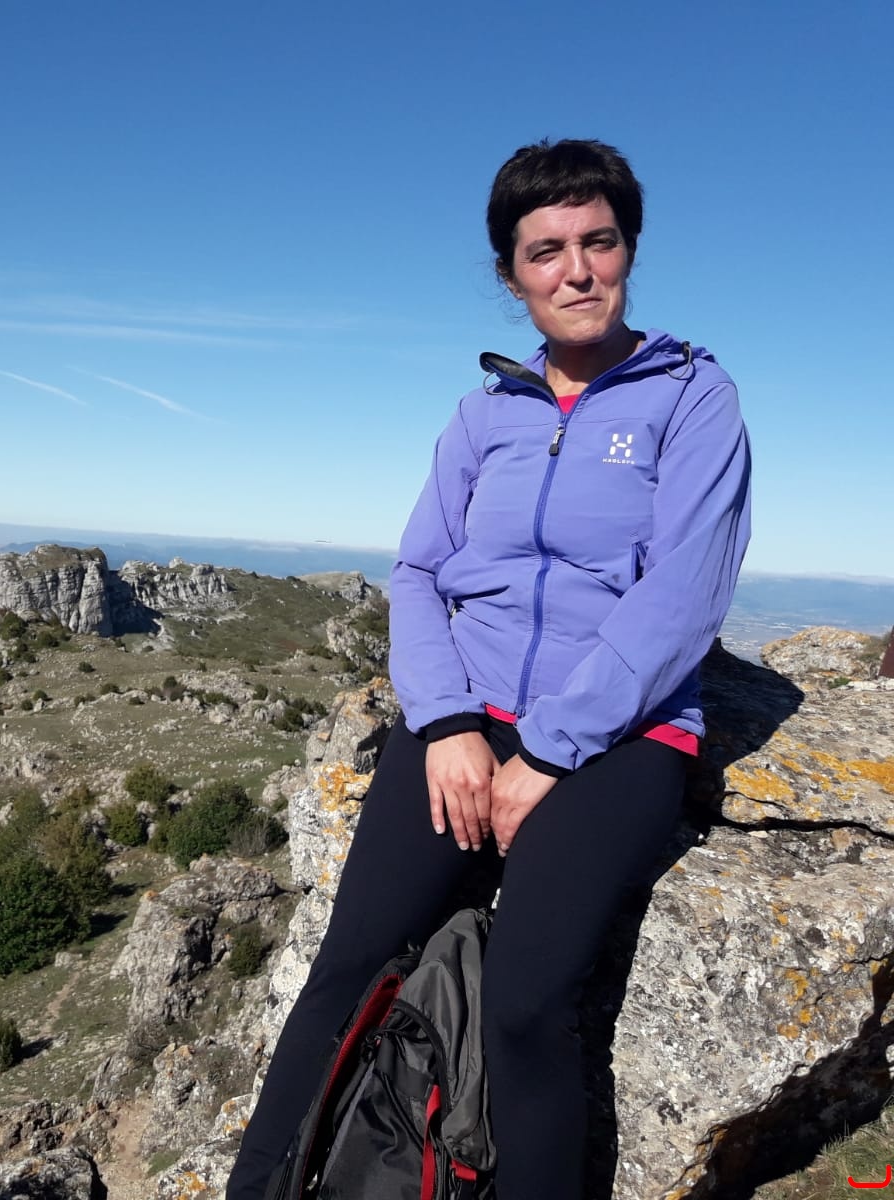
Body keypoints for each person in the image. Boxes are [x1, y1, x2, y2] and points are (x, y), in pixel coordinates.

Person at [224, 138, 752, 1200]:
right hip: (467, 712)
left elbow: (686, 593)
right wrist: (448, 721)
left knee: (524, 1004)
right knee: (347, 965)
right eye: (546, 251)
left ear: (629, 249)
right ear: (513, 276)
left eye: (599, 241)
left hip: (620, 731)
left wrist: (548, 752)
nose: (577, 271)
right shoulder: (484, 413)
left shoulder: (692, 396)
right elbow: (419, 570)